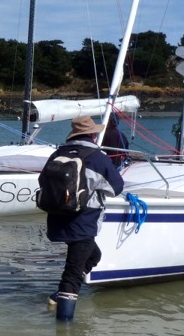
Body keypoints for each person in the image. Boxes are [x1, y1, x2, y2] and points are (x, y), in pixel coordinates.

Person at [46, 116, 125, 319]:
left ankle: (57, 298)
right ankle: (65, 333)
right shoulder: (96, 157)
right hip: (83, 222)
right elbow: (117, 187)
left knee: (94, 256)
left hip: (58, 219)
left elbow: (42, 181)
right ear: (93, 134)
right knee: (71, 275)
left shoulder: (58, 154)